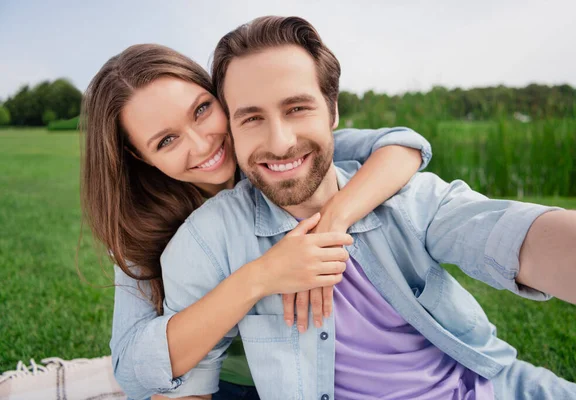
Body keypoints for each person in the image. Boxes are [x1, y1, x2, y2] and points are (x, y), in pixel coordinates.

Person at [159, 16, 576, 399]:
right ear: (232, 128)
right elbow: (183, 381)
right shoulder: (210, 239)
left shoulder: (406, 197)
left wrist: (332, 223)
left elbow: (512, 234)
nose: (279, 141)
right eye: (252, 117)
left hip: (497, 386)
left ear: (333, 111)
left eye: (297, 108)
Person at [80, 44, 432, 400]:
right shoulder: (140, 227)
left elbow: (402, 147)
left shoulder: (282, 152)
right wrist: (260, 277)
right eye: (167, 140)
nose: (202, 145)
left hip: (319, 373)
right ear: (140, 155)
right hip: (226, 385)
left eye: (202, 110)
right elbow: (133, 369)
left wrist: (334, 219)